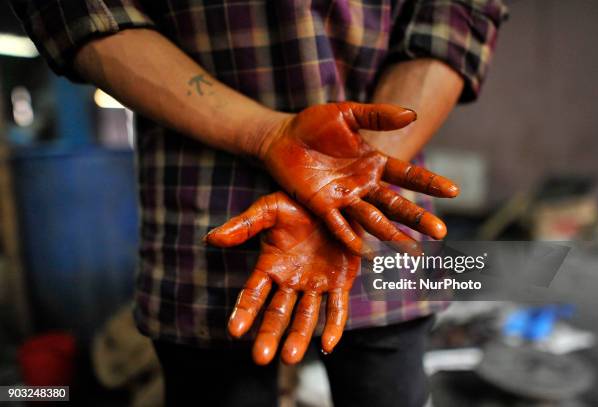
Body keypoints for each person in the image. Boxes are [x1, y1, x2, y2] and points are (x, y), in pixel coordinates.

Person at [11, 0, 506, 406]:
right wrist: (284, 145)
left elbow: (453, 18)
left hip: (365, 225)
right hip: (219, 231)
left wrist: (344, 179)